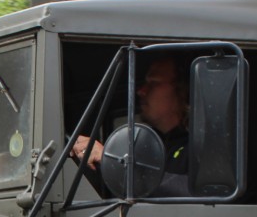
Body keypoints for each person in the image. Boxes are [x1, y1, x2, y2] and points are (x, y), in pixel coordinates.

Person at [71, 54, 189, 195]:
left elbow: (193, 192)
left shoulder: (201, 147)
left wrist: (110, 159)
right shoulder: (148, 146)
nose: (141, 91)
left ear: (182, 89)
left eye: (154, 83)